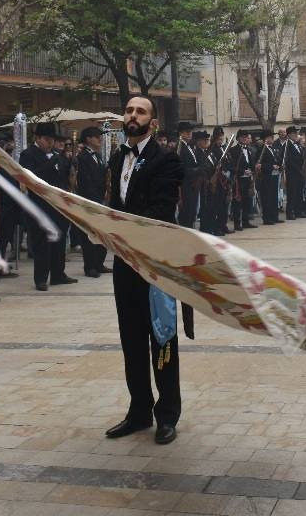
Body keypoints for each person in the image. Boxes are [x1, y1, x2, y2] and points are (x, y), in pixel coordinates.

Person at [104, 96, 186, 446]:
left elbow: (161, 212)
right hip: (125, 265)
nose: (132, 116)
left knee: (162, 338)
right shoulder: (117, 157)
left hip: (155, 265)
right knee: (131, 341)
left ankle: (167, 414)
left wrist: (126, 232)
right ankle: (138, 411)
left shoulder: (166, 160)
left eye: (140, 111)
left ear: (153, 121)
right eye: (128, 110)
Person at [19, 122, 77, 291]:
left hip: (58, 206)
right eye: (46, 139)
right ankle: (41, 278)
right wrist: (52, 163)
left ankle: (58, 274)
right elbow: (31, 178)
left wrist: (72, 165)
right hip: (39, 206)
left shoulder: (58, 155)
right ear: (38, 138)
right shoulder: (28, 154)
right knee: (42, 243)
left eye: (52, 139)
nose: (50, 142)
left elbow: (65, 179)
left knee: (59, 242)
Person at [75, 126, 110, 277]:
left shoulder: (98, 156)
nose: (99, 139)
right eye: (96, 136)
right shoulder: (83, 157)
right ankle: (89, 266)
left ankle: (99, 263)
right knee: (89, 236)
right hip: (90, 201)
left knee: (102, 234)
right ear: (88, 139)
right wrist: (96, 200)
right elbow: (85, 182)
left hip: (100, 200)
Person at [176, 121, 201, 229]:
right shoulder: (180, 147)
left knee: (192, 212)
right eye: (187, 132)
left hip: (193, 184)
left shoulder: (189, 146)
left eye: (190, 132)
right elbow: (180, 169)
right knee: (186, 212)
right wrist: (196, 170)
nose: (190, 134)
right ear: (181, 133)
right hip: (185, 185)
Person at [231, 131, 256, 230]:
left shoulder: (248, 149)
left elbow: (251, 163)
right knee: (237, 202)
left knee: (247, 201)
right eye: (242, 137)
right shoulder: (233, 150)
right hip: (239, 179)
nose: (245, 139)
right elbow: (233, 166)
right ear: (238, 139)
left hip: (248, 179)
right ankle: (237, 223)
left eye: (246, 137)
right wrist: (243, 171)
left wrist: (253, 170)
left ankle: (246, 221)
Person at [255, 130, 281, 225]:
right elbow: (259, 164)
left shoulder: (273, 148)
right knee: (267, 198)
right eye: (271, 137)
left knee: (274, 197)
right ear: (266, 139)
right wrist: (271, 166)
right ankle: (267, 218)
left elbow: (276, 160)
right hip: (265, 177)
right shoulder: (261, 149)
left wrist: (278, 165)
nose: (273, 138)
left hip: (274, 175)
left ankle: (274, 216)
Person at [283, 127, 306, 220]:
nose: (296, 134)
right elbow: (288, 160)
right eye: (293, 133)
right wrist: (297, 169)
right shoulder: (287, 145)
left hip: (299, 172)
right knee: (292, 193)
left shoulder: (297, 144)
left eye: (296, 133)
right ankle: (290, 212)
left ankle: (298, 211)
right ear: (288, 135)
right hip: (292, 173)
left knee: (299, 192)